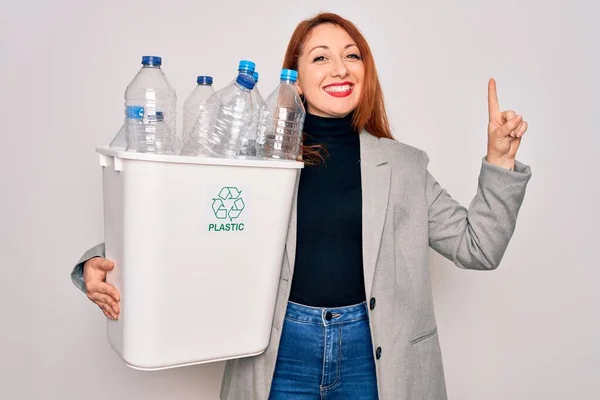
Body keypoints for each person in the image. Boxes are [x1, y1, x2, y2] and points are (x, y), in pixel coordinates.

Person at [71, 12, 531, 400]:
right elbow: (178, 221)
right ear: (296, 78)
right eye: (321, 57)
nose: (340, 68)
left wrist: (500, 161)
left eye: (352, 56)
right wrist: (98, 263)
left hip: (374, 357)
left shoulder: (405, 166)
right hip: (280, 351)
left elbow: (479, 247)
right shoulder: (254, 158)